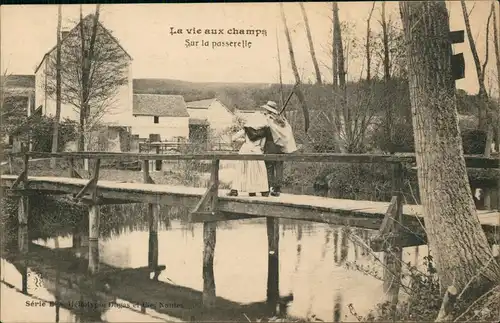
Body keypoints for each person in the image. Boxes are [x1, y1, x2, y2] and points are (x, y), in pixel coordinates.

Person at [227, 112, 270, 197]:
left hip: (245, 149)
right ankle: (262, 191)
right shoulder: (264, 132)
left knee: (241, 170)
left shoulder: (246, 129)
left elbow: (234, 138)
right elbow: (262, 145)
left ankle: (234, 190)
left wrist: (244, 141)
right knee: (259, 171)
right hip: (257, 150)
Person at [261, 101, 297, 197]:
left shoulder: (268, 119)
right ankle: (277, 189)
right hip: (281, 146)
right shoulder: (282, 119)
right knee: (279, 166)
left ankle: (268, 188)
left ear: (268, 110)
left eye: (266, 109)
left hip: (270, 145)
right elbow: (286, 132)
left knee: (269, 167)